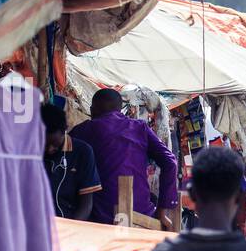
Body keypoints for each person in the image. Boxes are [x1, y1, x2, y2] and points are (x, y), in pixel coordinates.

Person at [70, 88, 178, 229]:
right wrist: (162, 210)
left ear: (92, 110)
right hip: (140, 216)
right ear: (120, 109)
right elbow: (170, 162)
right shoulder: (140, 128)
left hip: (101, 219)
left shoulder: (82, 131)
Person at [41, 102, 101, 221]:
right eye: (44, 144)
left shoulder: (83, 152)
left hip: (69, 223)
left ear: (65, 131)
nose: (49, 149)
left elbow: (86, 203)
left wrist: (72, 228)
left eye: (55, 144)